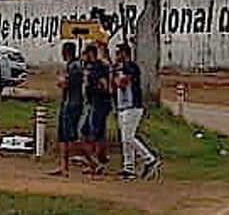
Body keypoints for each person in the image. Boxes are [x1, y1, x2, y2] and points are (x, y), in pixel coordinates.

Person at [113, 43, 161, 181]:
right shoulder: (119, 68)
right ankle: (129, 167)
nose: (116, 56)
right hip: (122, 105)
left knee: (129, 137)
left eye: (118, 53)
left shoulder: (131, 67)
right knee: (124, 139)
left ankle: (149, 159)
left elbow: (122, 83)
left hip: (133, 106)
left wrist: (117, 78)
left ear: (124, 53)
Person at [48, 42, 85, 177]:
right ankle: (64, 167)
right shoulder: (73, 65)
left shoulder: (74, 67)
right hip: (68, 103)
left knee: (71, 136)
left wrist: (60, 79)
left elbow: (66, 84)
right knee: (63, 136)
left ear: (66, 52)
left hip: (72, 104)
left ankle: (91, 161)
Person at [81, 43, 112, 174]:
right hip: (95, 102)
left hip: (99, 102)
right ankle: (99, 160)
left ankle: (97, 161)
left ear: (90, 53)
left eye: (85, 54)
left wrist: (100, 88)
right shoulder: (91, 66)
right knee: (97, 133)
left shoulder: (99, 67)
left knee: (90, 132)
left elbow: (105, 85)